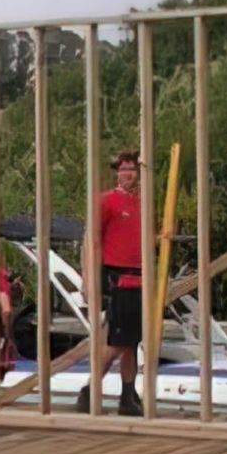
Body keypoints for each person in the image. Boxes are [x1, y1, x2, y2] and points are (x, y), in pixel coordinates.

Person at [78, 150, 150, 415]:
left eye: (131, 169)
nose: (127, 173)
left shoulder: (143, 203)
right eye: (122, 169)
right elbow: (90, 241)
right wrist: (88, 279)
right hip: (119, 279)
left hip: (140, 277)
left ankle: (128, 396)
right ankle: (89, 390)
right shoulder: (106, 201)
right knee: (117, 341)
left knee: (132, 342)